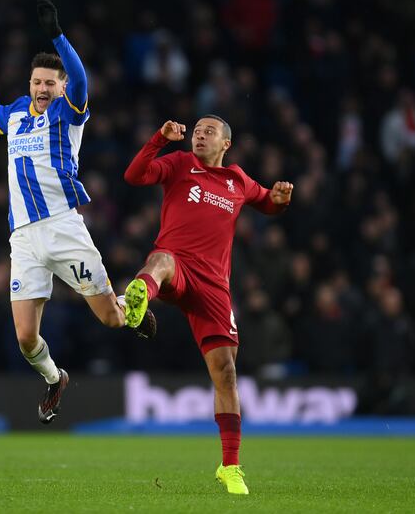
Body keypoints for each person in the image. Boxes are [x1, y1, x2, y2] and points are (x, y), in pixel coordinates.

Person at [0, 0, 155, 424]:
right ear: (29, 83)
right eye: (36, 81)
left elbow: (80, 77)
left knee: (111, 321)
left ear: (60, 88)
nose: (42, 89)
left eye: (49, 83)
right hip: (22, 237)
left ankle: (128, 307)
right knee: (26, 338)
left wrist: (58, 36)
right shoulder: (16, 115)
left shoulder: (69, 112)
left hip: (63, 228)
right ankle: (54, 378)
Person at [122, 116, 293, 494]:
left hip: (214, 286)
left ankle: (230, 466)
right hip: (179, 266)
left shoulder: (237, 180)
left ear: (225, 144)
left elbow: (266, 202)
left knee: (226, 373)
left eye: (208, 131)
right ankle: (138, 298)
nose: (199, 135)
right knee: (161, 260)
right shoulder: (180, 164)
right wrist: (158, 140)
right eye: (197, 131)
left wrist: (279, 201)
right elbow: (134, 176)